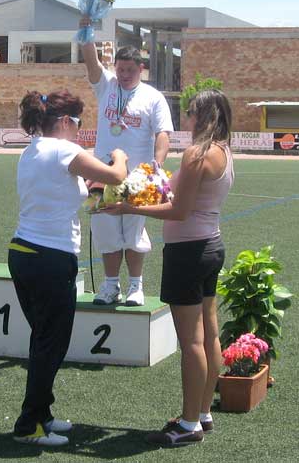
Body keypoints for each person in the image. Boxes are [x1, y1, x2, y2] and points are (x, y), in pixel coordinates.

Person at [104, 89, 234, 446]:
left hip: (189, 252)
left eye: (189, 113)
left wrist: (129, 209)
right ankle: (202, 413)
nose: (185, 120)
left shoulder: (198, 153)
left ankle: (189, 423)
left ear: (201, 116)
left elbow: (179, 211)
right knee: (209, 334)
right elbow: (177, 197)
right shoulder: (223, 151)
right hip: (210, 246)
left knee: (192, 342)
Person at [9, 90, 128, 446]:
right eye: (77, 124)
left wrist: (92, 188)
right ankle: (28, 425)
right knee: (51, 344)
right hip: (50, 257)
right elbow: (116, 175)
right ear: (63, 122)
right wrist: (119, 155)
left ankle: (42, 414)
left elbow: (71, 190)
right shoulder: (64, 149)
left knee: (42, 338)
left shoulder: (32, 150)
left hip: (24, 252)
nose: (79, 131)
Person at [80, 21, 173, 306]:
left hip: (137, 178)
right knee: (107, 232)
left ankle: (135, 286)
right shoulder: (106, 85)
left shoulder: (153, 97)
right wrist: (86, 30)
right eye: (119, 69)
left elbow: (163, 135)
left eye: (130, 70)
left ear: (140, 69)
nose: (123, 75)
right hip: (103, 173)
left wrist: (155, 167)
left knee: (133, 233)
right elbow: (90, 58)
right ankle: (110, 287)